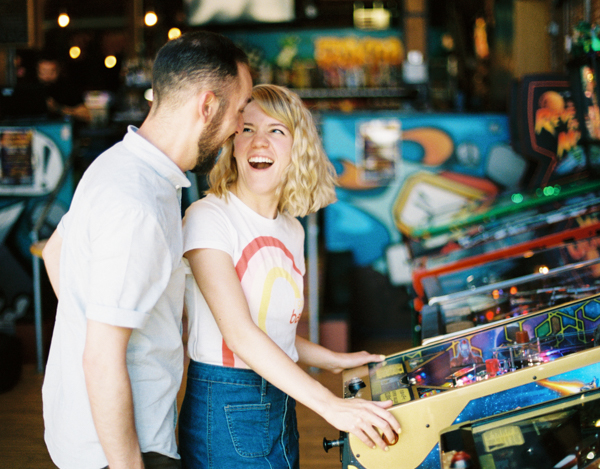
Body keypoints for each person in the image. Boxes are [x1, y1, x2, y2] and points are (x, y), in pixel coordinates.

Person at [40, 31, 252, 469]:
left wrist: (99, 318)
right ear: (207, 106)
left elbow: (54, 252)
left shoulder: (118, 164)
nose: (238, 126)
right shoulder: (139, 206)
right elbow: (101, 357)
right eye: (239, 109)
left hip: (84, 431)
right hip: (122, 447)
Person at [178, 84, 401, 468]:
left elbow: (272, 331)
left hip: (279, 401)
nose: (258, 141)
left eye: (276, 131)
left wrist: (332, 359)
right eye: (246, 129)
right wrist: (329, 405)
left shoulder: (291, 229)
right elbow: (239, 334)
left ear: (297, 147)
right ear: (231, 142)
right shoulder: (208, 216)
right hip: (224, 402)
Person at [35, 55, 91, 123]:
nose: (47, 77)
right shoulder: (31, 90)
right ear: (37, 72)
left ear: (58, 72)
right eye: (43, 72)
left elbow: (87, 115)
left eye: (51, 72)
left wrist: (58, 108)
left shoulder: (67, 89)